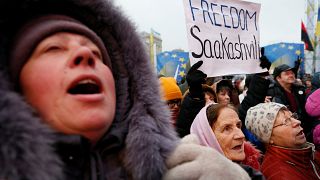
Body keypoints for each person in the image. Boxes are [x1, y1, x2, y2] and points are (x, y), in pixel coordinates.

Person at [0, 0, 252, 179]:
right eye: (53, 48)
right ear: (12, 82)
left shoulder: (172, 167)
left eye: (98, 54)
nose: (85, 54)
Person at [246, 102, 320, 180]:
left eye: (293, 117)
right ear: (268, 137)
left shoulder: (303, 153)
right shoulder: (279, 175)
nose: (297, 122)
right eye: (286, 121)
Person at [190, 103, 264, 179]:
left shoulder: (252, 173)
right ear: (207, 138)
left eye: (238, 126)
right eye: (227, 128)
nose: (241, 135)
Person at [267, 64, 311, 140]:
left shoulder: (299, 89)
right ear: (278, 78)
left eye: (292, 73)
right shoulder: (271, 92)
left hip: (302, 127)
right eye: (287, 74)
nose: (291, 75)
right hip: (286, 130)